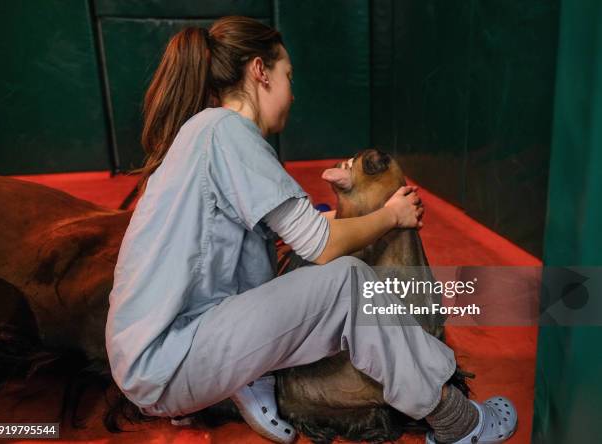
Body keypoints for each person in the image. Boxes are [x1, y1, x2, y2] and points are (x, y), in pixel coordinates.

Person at [105, 16, 517, 444]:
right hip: (167, 361)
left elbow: (284, 229)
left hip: (155, 354)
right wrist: (391, 217)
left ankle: (243, 377)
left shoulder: (205, 132)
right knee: (346, 282)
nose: (293, 92)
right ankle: (457, 422)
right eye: (288, 75)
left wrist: (359, 212)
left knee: (294, 268)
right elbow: (319, 246)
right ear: (260, 71)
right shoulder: (227, 131)